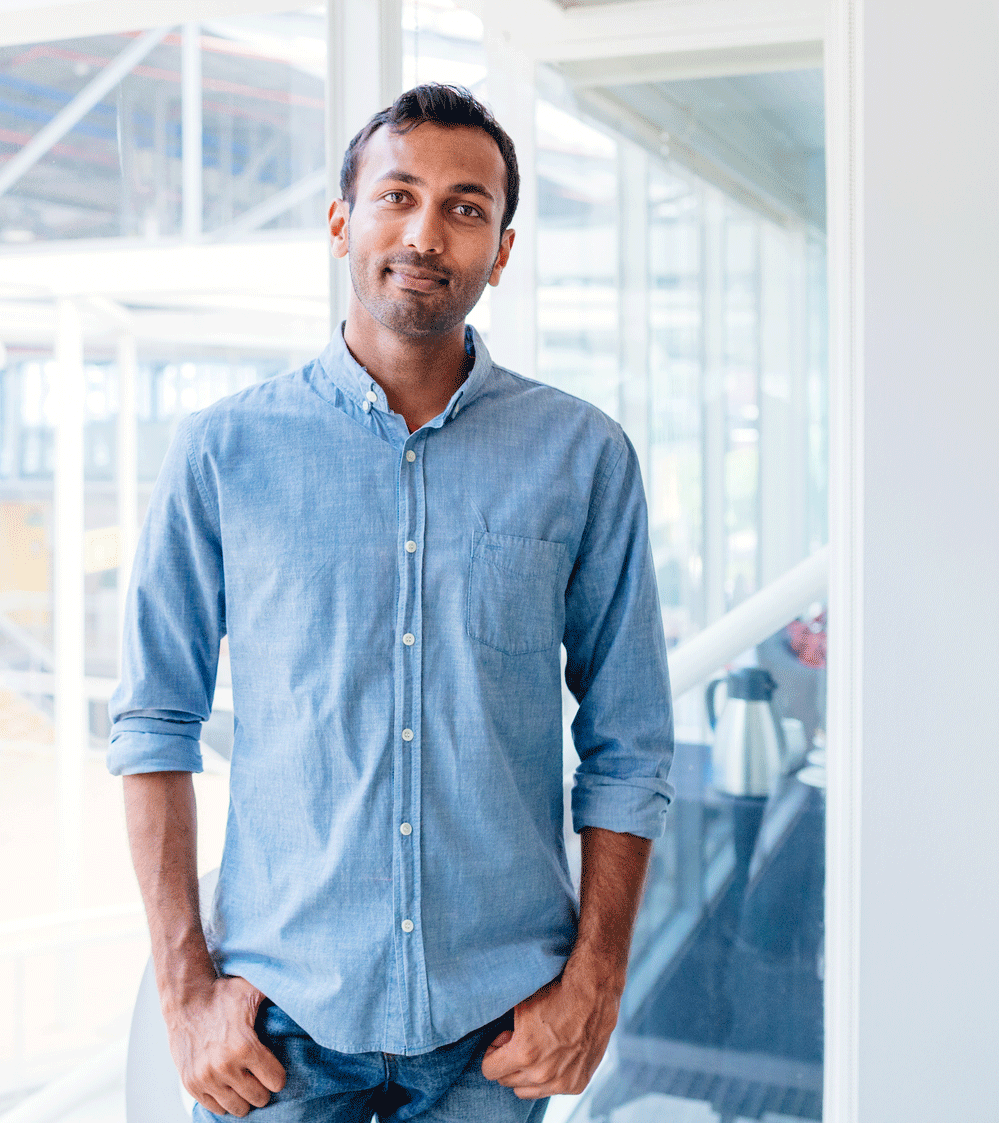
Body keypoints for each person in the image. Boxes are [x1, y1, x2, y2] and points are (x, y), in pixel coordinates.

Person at [109, 84, 673, 1123]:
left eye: (466, 207)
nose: (426, 232)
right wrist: (187, 996)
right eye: (397, 195)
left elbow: (630, 745)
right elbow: (153, 723)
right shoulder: (223, 454)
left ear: (501, 249)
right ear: (341, 223)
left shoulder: (583, 459)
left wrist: (595, 984)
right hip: (276, 1029)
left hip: (498, 1030)